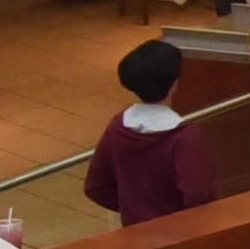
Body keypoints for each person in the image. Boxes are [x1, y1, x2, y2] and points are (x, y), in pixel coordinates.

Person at [79, 37, 220, 227]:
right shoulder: (185, 137)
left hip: (137, 236)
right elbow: (197, 196)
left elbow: (96, 187)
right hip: (181, 239)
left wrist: (135, 209)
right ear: (174, 84)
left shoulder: (118, 127)